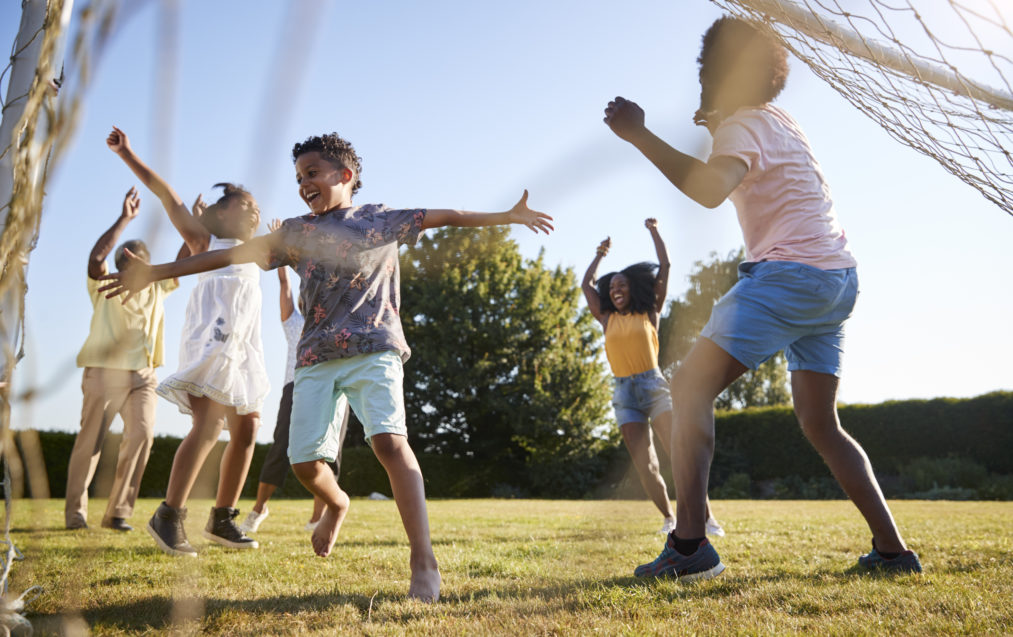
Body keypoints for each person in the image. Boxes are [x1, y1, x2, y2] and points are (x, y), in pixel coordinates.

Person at [99, 132, 554, 601]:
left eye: (312, 174)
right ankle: (337, 502)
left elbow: (448, 217)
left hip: (375, 349)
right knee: (304, 465)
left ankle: (423, 560)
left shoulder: (380, 219)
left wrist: (507, 216)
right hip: (315, 358)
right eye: (298, 178)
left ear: (345, 176)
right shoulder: (296, 232)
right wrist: (157, 272)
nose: (303, 184)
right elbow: (228, 254)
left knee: (389, 444)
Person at [603, 16, 921, 580]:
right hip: (836, 281)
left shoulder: (741, 127)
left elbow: (708, 189)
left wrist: (639, 135)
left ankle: (690, 546)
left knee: (690, 386)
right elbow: (742, 167)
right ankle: (894, 553)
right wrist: (717, 125)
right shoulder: (779, 122)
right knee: (822, 425)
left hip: (789, 276)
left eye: (706, 68)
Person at [107, 126, 270, 556]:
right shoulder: (205, 241)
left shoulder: (256, 254)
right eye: (244, 206)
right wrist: (128, 153)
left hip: (243, 349)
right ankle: (168, 516)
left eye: (256, 208)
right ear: (220, 215)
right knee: (210, 424)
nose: (254, 213)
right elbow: (166, 195)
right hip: (210, 344)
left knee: (248, 427)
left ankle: (222, 519)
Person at [581, 219, 724, 538]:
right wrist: (600, 254)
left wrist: (654, 231)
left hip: (655, 387)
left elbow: (666, 265)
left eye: (622, 285)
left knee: (680, 454)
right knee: (645, 464)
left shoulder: (650, 312)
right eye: (612, 286)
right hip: (623, 394)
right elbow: (586, 284)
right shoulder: (606, 319)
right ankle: (669, 518)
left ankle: (707, 517)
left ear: (633, 288)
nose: (616, 290)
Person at [65, 187, 184, 532]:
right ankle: (76, 515)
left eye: (138, 257)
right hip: (103, 373)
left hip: (143, 376)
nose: (131, 260)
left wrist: (192, 221)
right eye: (126, 257)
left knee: (143, 435)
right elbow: (94, 258)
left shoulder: (158, 287)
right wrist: (125, 218)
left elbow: (189, 255)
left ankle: (117, 513)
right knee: (90, 444)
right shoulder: (103, 284)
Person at [240, 219, 350, 535]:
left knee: (330, 452)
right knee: (280, 448)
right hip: (296, 386)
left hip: (335, 386)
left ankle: (318, 517)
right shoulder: (294, 323)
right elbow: (286, 287)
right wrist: (282, 252)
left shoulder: (336, 320)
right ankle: (259, 509)